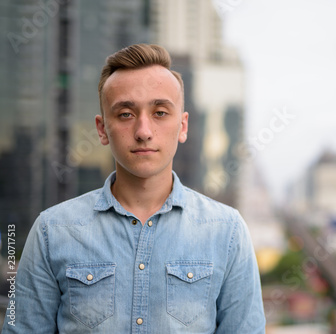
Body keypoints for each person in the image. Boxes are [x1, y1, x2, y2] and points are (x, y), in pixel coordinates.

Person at [2, 44, 266, 333]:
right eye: (126, 114)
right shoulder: (51, 231)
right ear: (102, 129)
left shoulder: (227, 231)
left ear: (183, 125)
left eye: (160, 112)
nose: (143, 131)